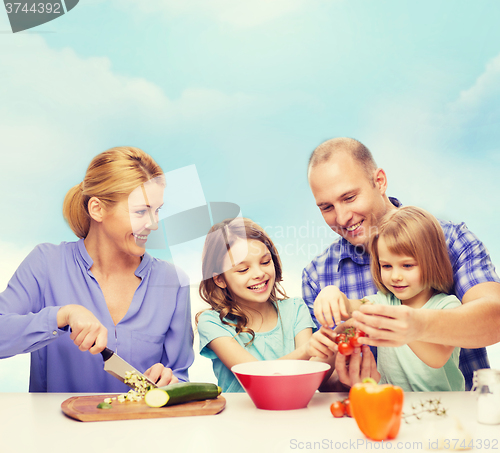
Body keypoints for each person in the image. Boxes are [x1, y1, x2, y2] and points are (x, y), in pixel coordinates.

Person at [303, 137, 500, 390]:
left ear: (380, 181)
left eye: (350, 197)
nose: (341, 217)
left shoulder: (449, 240)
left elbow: (495, 317)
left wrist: (418, 325)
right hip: (375, 414)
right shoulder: (317, 274)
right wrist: (346, 382)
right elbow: (318, 374)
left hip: (459, 418)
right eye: (326, 207)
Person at [0, 147, 194, 392]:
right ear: (97, 209)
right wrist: (62, 315)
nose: (153, 224)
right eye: (141, 211)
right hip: (56, 429)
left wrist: (171, 381)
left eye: (157, 210)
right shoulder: (45, 263)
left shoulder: (173, 283)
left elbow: (180, 376)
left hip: (144, 429)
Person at [314, 206, 465, 391]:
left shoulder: (448, 306)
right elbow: (350, 307)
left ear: (432, 261)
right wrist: (331, 293)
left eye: (407, 265)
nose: (395, 276)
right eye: (386, 266)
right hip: (392, 403)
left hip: (439, 406)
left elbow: (438, 357)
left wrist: (400, 323)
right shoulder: (384, 302)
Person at [196, 217, 337, 392]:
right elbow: (256, 377)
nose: (259, 273)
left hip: (294, 413)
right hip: (239, 418)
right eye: (243, 269)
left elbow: (310, 373)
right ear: (220, 280)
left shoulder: (296, 309)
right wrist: (307, 350)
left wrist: (336, 340)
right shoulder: (212, 323)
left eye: (265, 262)